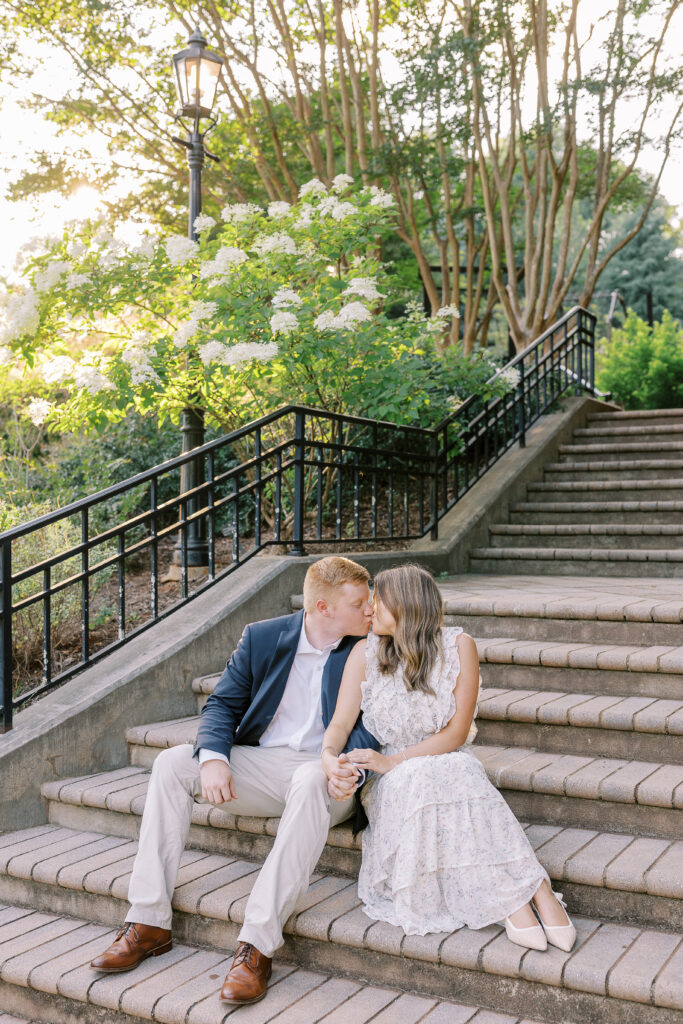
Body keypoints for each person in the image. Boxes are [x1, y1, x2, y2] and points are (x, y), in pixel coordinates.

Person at [90, 555, 378, 1004]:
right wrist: (213, 759)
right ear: (323, 608)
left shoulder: (372, 647)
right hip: (265, 767)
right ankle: (148, 921)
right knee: (172, 763)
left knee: (308, 779)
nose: (370, 610)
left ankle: (256, 945)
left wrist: (351, 769)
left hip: (328, 776)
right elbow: (222, 704)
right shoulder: (263, 637)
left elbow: (374, 722)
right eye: (359, 603)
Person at [321, 564, 576, 953]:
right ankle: (527, 893)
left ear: (405, 605)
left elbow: (456, 734)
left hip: (447, 760)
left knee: (456, 766)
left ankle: (533, 892)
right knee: (434, 775)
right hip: (392, 779)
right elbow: (340, 723)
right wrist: (328, 754)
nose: (369, 608)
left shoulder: (459, 646)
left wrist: (400, 760)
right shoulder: (364, 652)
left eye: (377, 600)